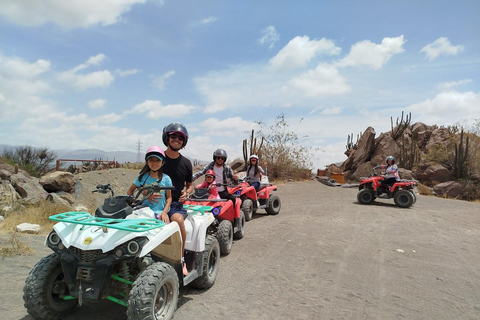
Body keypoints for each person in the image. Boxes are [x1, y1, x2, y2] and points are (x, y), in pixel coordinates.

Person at [162, 122, 194, 276]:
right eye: (173, 136)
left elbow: (190, 185)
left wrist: (186, 193)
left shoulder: (186, 163)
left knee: (178, 220)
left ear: (184, 141)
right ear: (166, 138)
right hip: (154, 203)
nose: (176, 139)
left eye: (180, 138)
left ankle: (181, 260)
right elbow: (142, 179)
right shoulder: (156, 158)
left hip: (175, 204)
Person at [127, 146, 172, 221]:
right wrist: (134, 202)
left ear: (162, 162)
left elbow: (169, 198)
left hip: (160, 213)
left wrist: (164, 213)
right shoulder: (141, 177)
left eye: (158, 160)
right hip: (144, 212)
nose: (154, 163)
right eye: (151, 160)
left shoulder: (166, 179)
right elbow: (129, 192)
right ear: (147, 162)